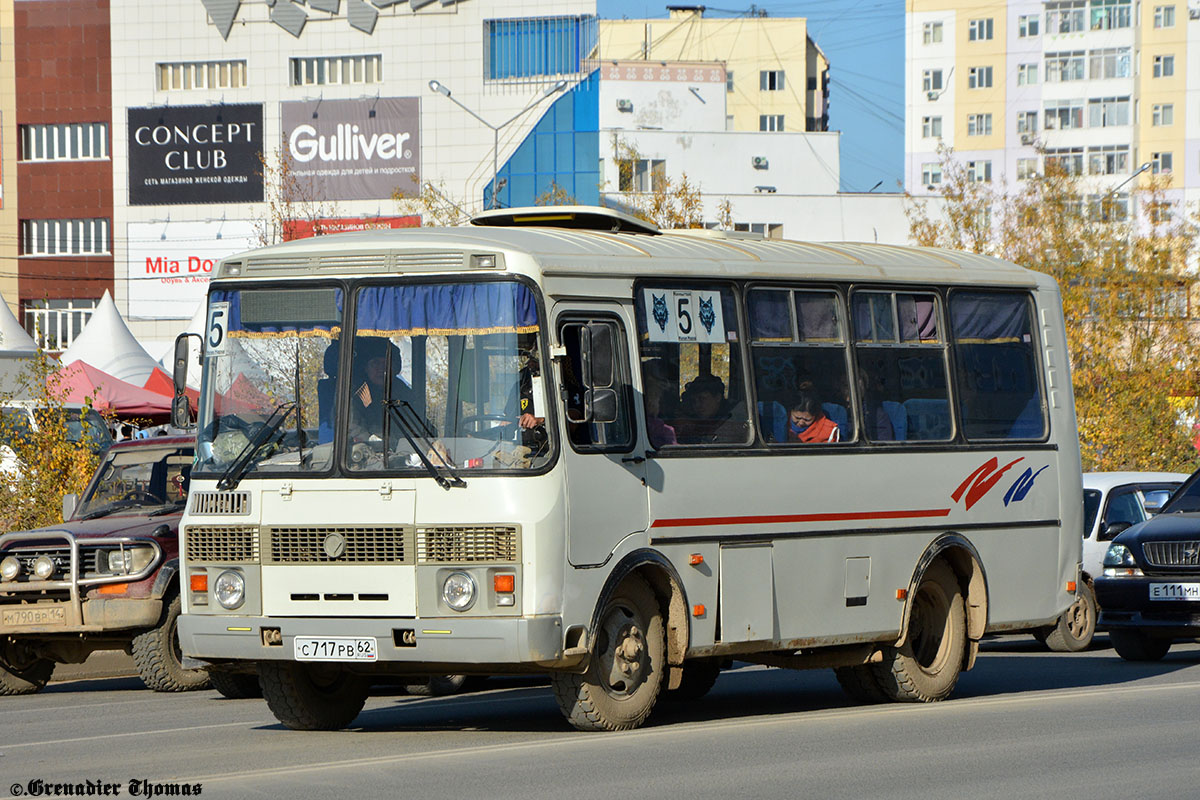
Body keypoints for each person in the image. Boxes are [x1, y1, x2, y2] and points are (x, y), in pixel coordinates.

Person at [347, 337, 413, 444]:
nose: (381, 368)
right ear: (366, 368)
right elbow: (351, 425)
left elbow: (417, 425)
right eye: (375, 363)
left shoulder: (404, 393)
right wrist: (373, 442)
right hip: (366, 451)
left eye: (386, 363)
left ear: (394, 368)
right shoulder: (356, 393)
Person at [674, 373, 731, 444]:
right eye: (694, 401)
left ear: (717, 398)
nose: (697, 405)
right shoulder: (693, 423)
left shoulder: (730, 423)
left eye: (702, 399)